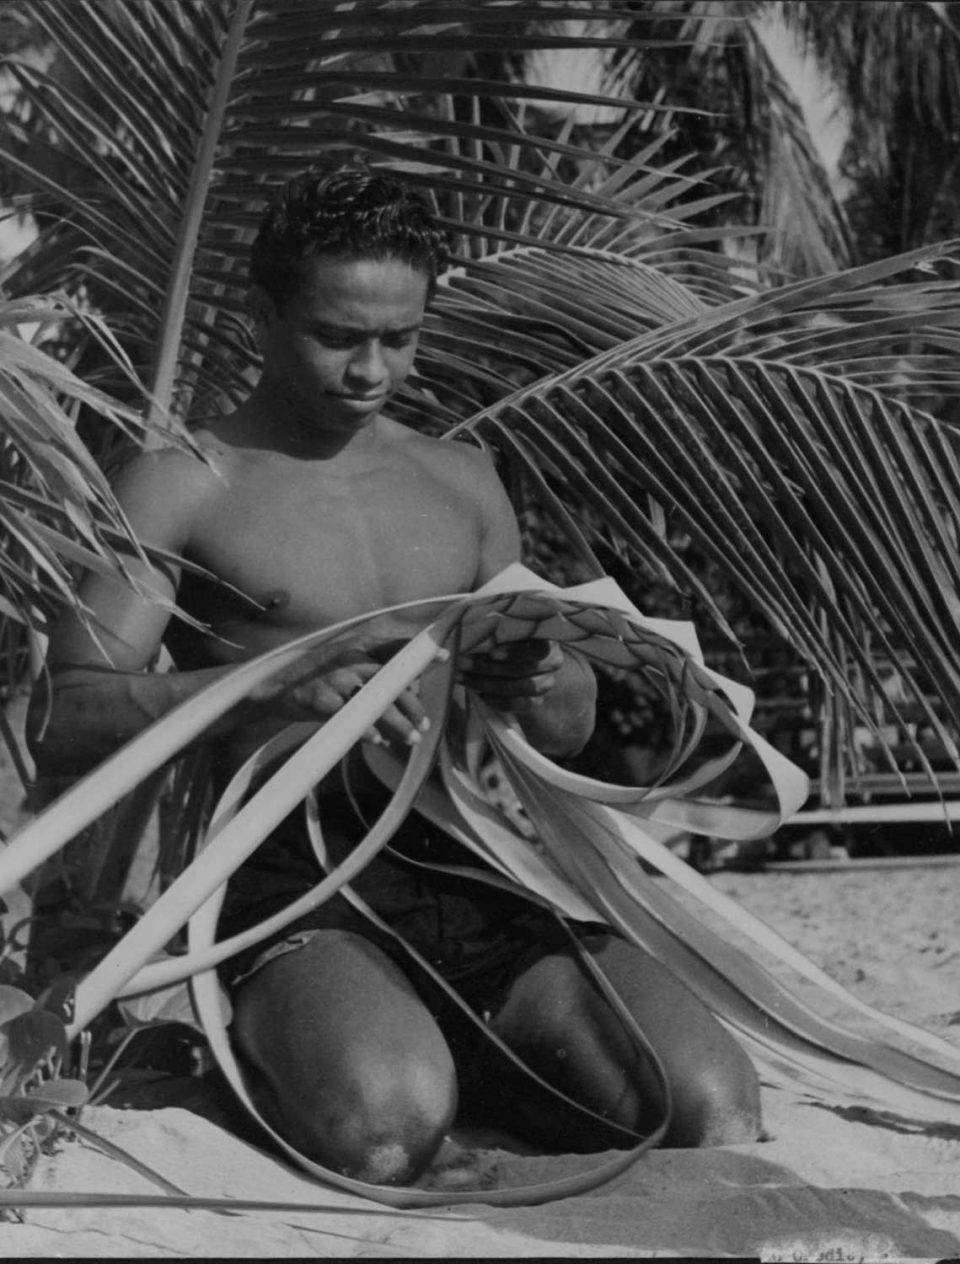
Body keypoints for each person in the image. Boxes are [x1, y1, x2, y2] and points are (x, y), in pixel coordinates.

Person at [27, 168, 760, 1186]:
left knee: (713, 1109)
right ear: (266, 312)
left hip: (484, 874)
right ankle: (309, 1046)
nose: (371, 369)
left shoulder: (463, 482)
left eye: (400, 338)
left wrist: (550, 689)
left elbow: (558, 726)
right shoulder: (182, 482)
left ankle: (438, 1051)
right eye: (338, 335)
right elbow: (62, 716)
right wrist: (258, 689)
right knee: (386, 1130)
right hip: (294, 890)